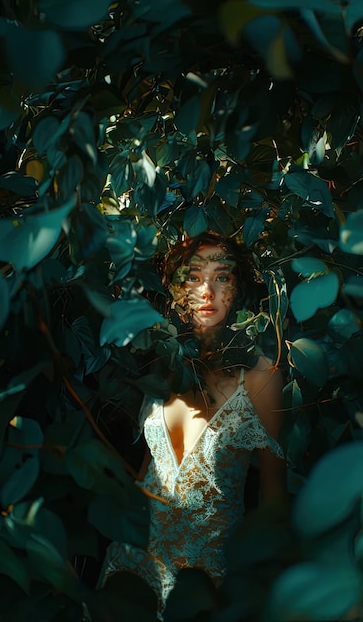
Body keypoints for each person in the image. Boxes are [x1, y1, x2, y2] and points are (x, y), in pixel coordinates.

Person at [98, 232, 286, 617]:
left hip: (205, 582)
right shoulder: (166, 366)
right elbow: (149, 469)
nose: (208, 291)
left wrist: (262, 591)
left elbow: (273, 498)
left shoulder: (261, 377)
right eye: (194, 276)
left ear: (238, 288)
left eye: (222, 277)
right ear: (177, 289)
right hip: (130, 567)